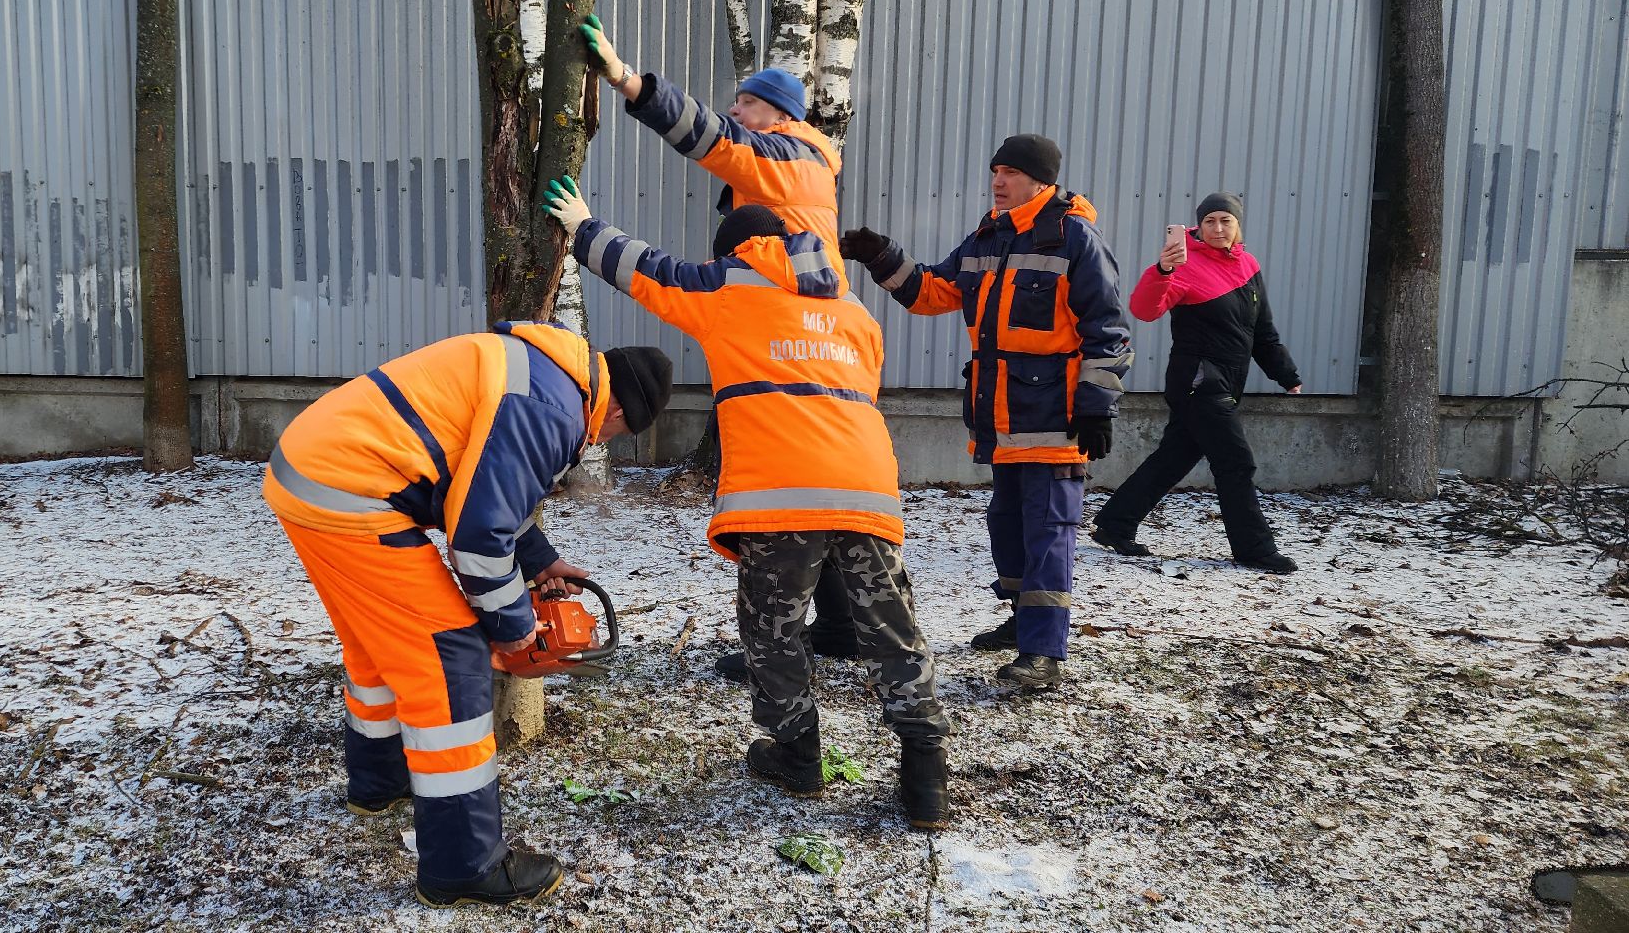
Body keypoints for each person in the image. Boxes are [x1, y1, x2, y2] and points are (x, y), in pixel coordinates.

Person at [544, 177, 952, 829]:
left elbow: (648, 272)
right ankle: (926, 778)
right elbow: (864, 379)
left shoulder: (727, 288)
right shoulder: (852, 310)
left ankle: (797, 755)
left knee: (773, 632)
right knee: (893, 631)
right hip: (865, 487)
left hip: (781, 492)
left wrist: (583, 228)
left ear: (735, 251)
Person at [262, 323, 672, 907]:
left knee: (380, 640)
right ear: (616, 418)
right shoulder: (551, 413)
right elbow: (478, 539)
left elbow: (483, 484)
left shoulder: (547, 373)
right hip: (352, 490)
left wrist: (542, 561)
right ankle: (463, 865)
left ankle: (380, 781)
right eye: (613, 436)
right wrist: (515, 632)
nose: (600, 444)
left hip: (312, 473)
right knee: (450, 659)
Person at [580, 14, 864, 675]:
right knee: (816, 488)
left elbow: (711, 141)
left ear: (775, 115)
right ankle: (843, 626)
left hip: (783, 348)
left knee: (777, 502)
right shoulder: (802, 173)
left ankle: (774, 650)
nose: (735, 110)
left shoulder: (784, 157)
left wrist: (628, 81)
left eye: (747, 103)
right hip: (817, 350)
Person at [840, 135, 1132, 691]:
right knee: (1009, 523)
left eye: (1012, 173)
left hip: (1055, 415)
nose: (999, 181)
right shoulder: (987, 236)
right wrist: (881, 254)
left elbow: (1108, 329)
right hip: (999, 415)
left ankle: (1043, 651)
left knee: (1049, 529)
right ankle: (1023, 619)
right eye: (996, 170)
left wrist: (1097, 405)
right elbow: (933, 291)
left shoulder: (1075, 238)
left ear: (1041, 181)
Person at [1090, 193, 1303, 573]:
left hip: (1227, 382)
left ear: (1238, 226)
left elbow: (1262, 332)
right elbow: (1144, 309)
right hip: (1199, 383)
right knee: (1236, 463)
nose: (1218, 228)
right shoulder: (1183, 264)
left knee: (1173, 459)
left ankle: (1115, 524)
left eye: (1226, 221)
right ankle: (1254, 548)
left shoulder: (1248, 265)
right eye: (1210, 222)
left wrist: (1285, 374)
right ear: (1198, 227)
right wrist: (1163, 271)